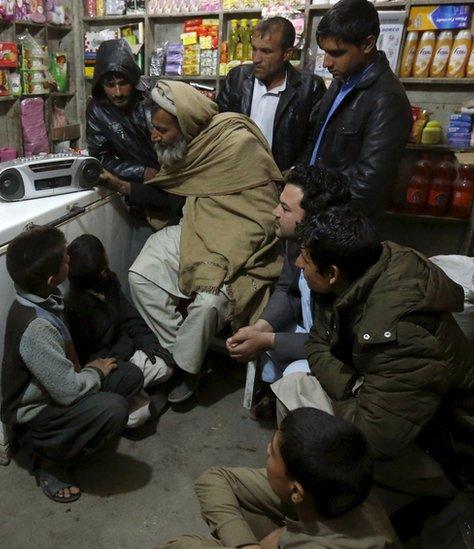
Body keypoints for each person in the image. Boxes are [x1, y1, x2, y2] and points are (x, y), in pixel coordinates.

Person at [275, 207, 474, 512]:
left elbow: (375, 440)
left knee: (312, 449)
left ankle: (329, 515)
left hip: (452, 452)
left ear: (332, 273)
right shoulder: (356, 274)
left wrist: (353, 388)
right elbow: (317, 342)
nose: (297, 264)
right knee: (291, 389)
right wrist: (354, 384)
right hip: (390, 413)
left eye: (304, 260)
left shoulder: (401, 332)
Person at [129, 79, 282, 404]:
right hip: (197, 226)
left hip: (245, 245)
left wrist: (223, 253)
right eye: (153, 128)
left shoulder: (237, 142)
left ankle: (189, 367)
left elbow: (262, 216)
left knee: (208, 303)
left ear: (185, 125)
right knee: (141, 275)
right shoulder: (186, 149)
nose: (154, 136)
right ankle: (180, 355)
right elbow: (174, 189)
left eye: (162, 130)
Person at [0, 226, 144, 503]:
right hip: (36, 412)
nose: (71, 261)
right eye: (67, 259)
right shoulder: (36, 326)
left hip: (62, 385)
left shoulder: (46, 298)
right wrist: (95, 372)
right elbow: (66, 391)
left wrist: (92, 371)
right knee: (114, 408)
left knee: (129, 376)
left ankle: (78, 434)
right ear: (53, 277)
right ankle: (46, 457)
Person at [160, 408, 399, 548]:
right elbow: (215, 479)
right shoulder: (338, 489)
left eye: (273, 453)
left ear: (297, 491)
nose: (266, 450)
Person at [225, 166, 350, 418]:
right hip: (313, 333)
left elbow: (330, 344)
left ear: (312, 220)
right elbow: (288, 287)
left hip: (336, 354)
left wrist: (268, 340)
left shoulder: (338, 268)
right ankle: (276, 394)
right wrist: (261, 327)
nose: (275, 212)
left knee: (297, 383)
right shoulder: (298, 239)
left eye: (285, 208)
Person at [302, 0, 411, 215]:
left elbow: (369, 184)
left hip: (339, 224)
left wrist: (330, 224)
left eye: (337, 53)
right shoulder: (341, 81)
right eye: (325, 52)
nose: (326, 63)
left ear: (368, 44)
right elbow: (318, 142)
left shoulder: (386, 99)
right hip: (317, 209)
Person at [86, 38, 186, 259]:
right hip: (144, 197)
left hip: (180, 185)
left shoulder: (156, 94)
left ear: (133, 78)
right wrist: (141, 171)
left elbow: (183, 138)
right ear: (101, 85)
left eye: (123, 82)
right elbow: (99, 157)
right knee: (142, 266)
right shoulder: (97, 109)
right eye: (110, 85)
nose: (118, 92)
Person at [65, 234, 177, 428]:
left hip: (126, 352)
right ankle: (131, 396)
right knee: (136, 418)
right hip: (109, 366)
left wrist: (149, 342)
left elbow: (129, 316)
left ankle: (137, 392)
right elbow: (91, 358)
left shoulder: (109, 282)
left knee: (165, 365)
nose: (106, 256)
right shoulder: (75, 306)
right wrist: (126, 358)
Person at [216, 17, 325, 173]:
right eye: (254, 49)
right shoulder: (237, 78)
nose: (256, 59)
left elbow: (314, 142)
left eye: (266, 51)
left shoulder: (309, 88)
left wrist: (294, 173)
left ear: (287, 53)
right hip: (235, 176)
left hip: (280, 182)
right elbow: (219, 125)